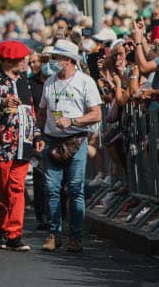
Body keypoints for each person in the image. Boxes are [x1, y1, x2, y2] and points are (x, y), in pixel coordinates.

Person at [38, 38, 103, 253]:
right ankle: (54, 234)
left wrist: (73, 121)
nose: (53, 61)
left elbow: (96, 113)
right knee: (52, 190)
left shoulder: (85, 82)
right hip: (51, 140)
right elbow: (42, 112)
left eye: (56, 57)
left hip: (76, 142)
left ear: (67, 60)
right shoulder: (49, 82)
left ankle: (75, 237)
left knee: (75, 189)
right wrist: (38, 134)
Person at [0, 39, 40, 252]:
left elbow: (30, 111)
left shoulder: (24, 81)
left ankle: (15, 234)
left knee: (17, 187)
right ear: (10, 60)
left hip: (22, 144)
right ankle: (1, 229)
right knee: (1, 189)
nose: (25, 63)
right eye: (21, 60)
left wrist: (37, 135)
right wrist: (1, 102)